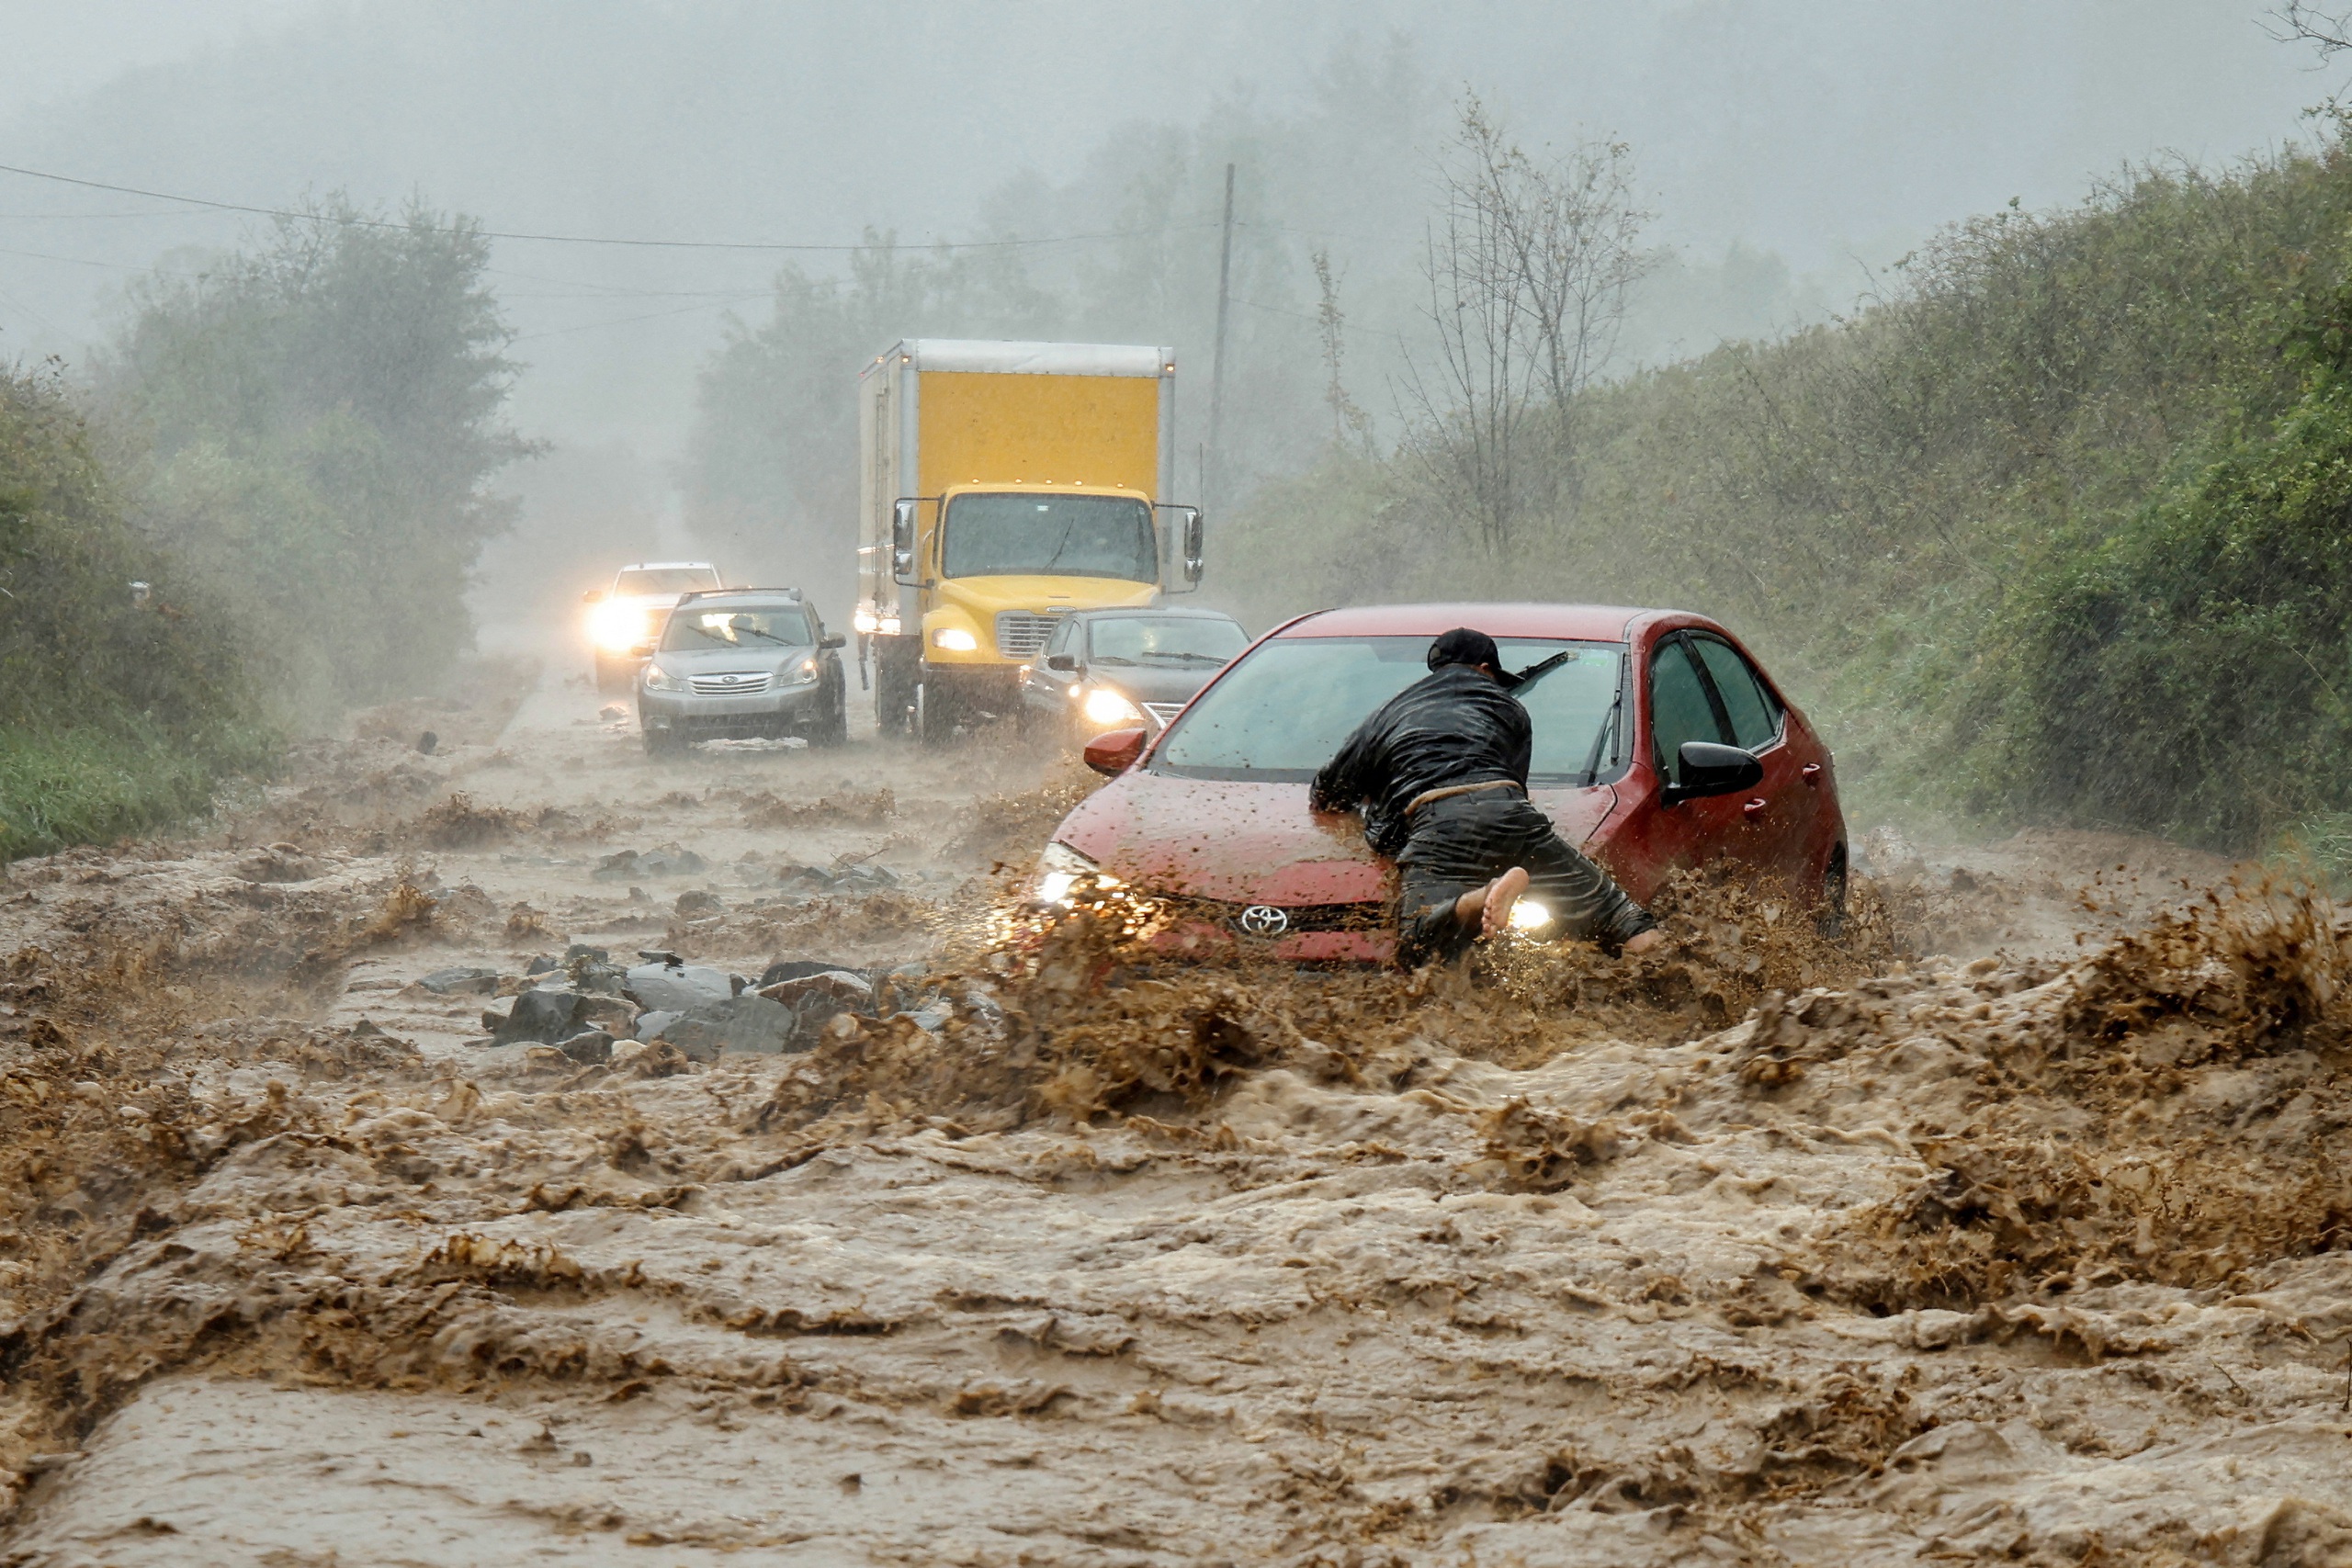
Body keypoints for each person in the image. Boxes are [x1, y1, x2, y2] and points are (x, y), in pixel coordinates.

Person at [1310, 626, 1665, 966]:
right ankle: (1667, 980)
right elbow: (1513, 786)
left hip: (1438, 821)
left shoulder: (1388, 714)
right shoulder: (1511, 709)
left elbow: (1327, 792)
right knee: (1619, 914)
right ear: (1485, 669)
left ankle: (1476, 900)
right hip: (1509, 809)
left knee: (1415, 943)